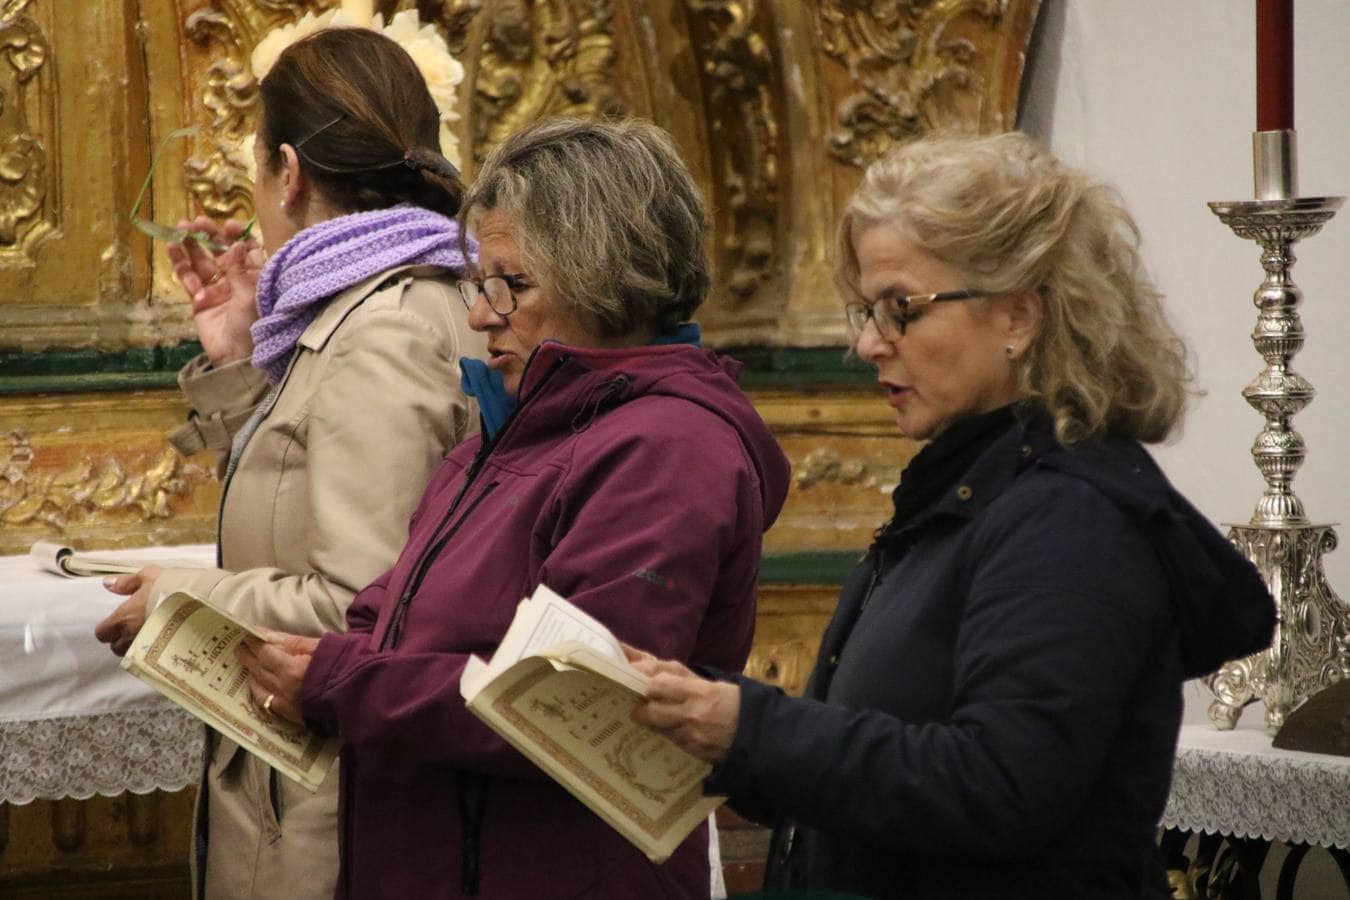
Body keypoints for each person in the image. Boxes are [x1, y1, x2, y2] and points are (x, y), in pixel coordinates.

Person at [625, 132, 1276, 899]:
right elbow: (882, 764)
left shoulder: (1071, 519)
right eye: (866, 311)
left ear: (1020, 317)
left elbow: (1001, 788)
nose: (869, 343)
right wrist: (701, 722)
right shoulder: (965, 492)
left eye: (902, 308)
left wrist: (753, 730)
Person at [237, 116, 791, 899]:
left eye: (513, 285)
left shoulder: (668, 448)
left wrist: (337, 685)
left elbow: (566, 702)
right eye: (478, 284)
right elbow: (386, 617)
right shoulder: (498, 442)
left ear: (605, 277)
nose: (479, 316)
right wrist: (301, 664)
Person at [93, 27, 485, 900]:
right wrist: (238, 363)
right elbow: (305, 490)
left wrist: (178, 598)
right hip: (329, 780)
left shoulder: (385, 328)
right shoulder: (402, 296)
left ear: (290, 171)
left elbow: (356, 602)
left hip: (328, 806)